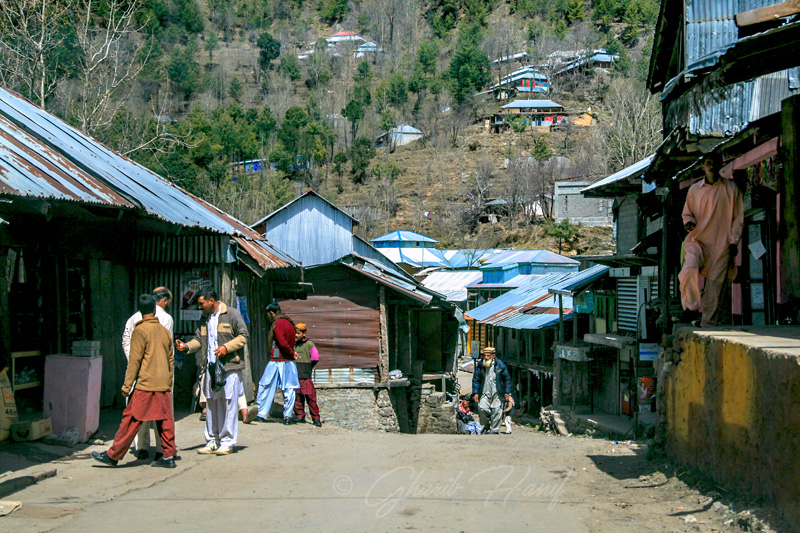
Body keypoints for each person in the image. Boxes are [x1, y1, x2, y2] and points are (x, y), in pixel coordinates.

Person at [92, 294, 176, 468]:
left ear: (140, 310)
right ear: (154, 310)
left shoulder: (140, 330)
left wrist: (127, 385)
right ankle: (168, 456)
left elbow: (134, 361)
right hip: (163, 383)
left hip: (145, 384)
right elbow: (171, 359)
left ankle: (113, 456)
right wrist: (168, 381)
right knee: (164, 421)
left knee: (131, 420)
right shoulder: (164, 331)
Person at [176, 288, 248, 455]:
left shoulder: (232, 314)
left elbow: (244, 336)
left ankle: (228, 441)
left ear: (211, 301)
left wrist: (226, 347)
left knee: (229, 403)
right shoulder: (204, 319)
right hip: (210, 367)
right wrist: (186, 347)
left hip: (229, 367)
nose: (199, 307)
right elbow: (198, 340)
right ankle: (212, 440)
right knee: (211, 403)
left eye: (201, 303)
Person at [679, 153, 744, 327]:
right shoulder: (694, 190)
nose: (711, 166)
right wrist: (689, 223)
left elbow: (738, 219)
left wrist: (733, 242)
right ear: (703, 166)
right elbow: (687, 213)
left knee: (715, 287)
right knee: (688, 269)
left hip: (721, 244)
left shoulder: (731, 189)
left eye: (715, 163)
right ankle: (690, 308)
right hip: (697, 240)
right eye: (708, 163)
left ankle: (708, 324)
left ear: (721, 164)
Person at [121, 287, 173, 460]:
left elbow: (129, 347)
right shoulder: (164, 321)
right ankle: (164, 452)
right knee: (162, 418)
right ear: (160, 302)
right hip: (159, 376)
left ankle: (140, 448)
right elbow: (168, 352)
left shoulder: (137, 321)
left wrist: (128, 383)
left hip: (144, 377)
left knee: (136, 416)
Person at [256, 303, 299, 425]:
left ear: (272, 313)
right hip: (288, 361)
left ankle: (261, 413)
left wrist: (291, 353)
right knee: (289, 389)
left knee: (265, 385)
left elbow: (282, 342)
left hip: (278, 361)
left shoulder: (278, 324)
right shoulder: (289, 323)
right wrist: (292, 353)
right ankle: (288, 416)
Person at [471, 347, 512, 435]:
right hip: (484, 391)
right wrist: (475, 393)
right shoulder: (481, 365)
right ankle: (486, 425)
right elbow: (476, 379)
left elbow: (507, 379)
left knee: (497, 410)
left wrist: (507, 392)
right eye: (485, 355)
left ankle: (494, 429)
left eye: (488, 356)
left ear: (493, 356)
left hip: (497, 392)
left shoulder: (500, 365)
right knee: (482, 408)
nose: (486, 357)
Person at [291, 323, 321, 427]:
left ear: (304, 334)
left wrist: (308, 367)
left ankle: (316, 418)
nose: (296, 335)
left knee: (311, 397)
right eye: (295, 333)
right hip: (296, 376)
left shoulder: (309, 344)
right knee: (298, 397)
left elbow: (315, 358)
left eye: (298, 333)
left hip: (305, 375)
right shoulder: (294, 345)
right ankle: (300, 415)